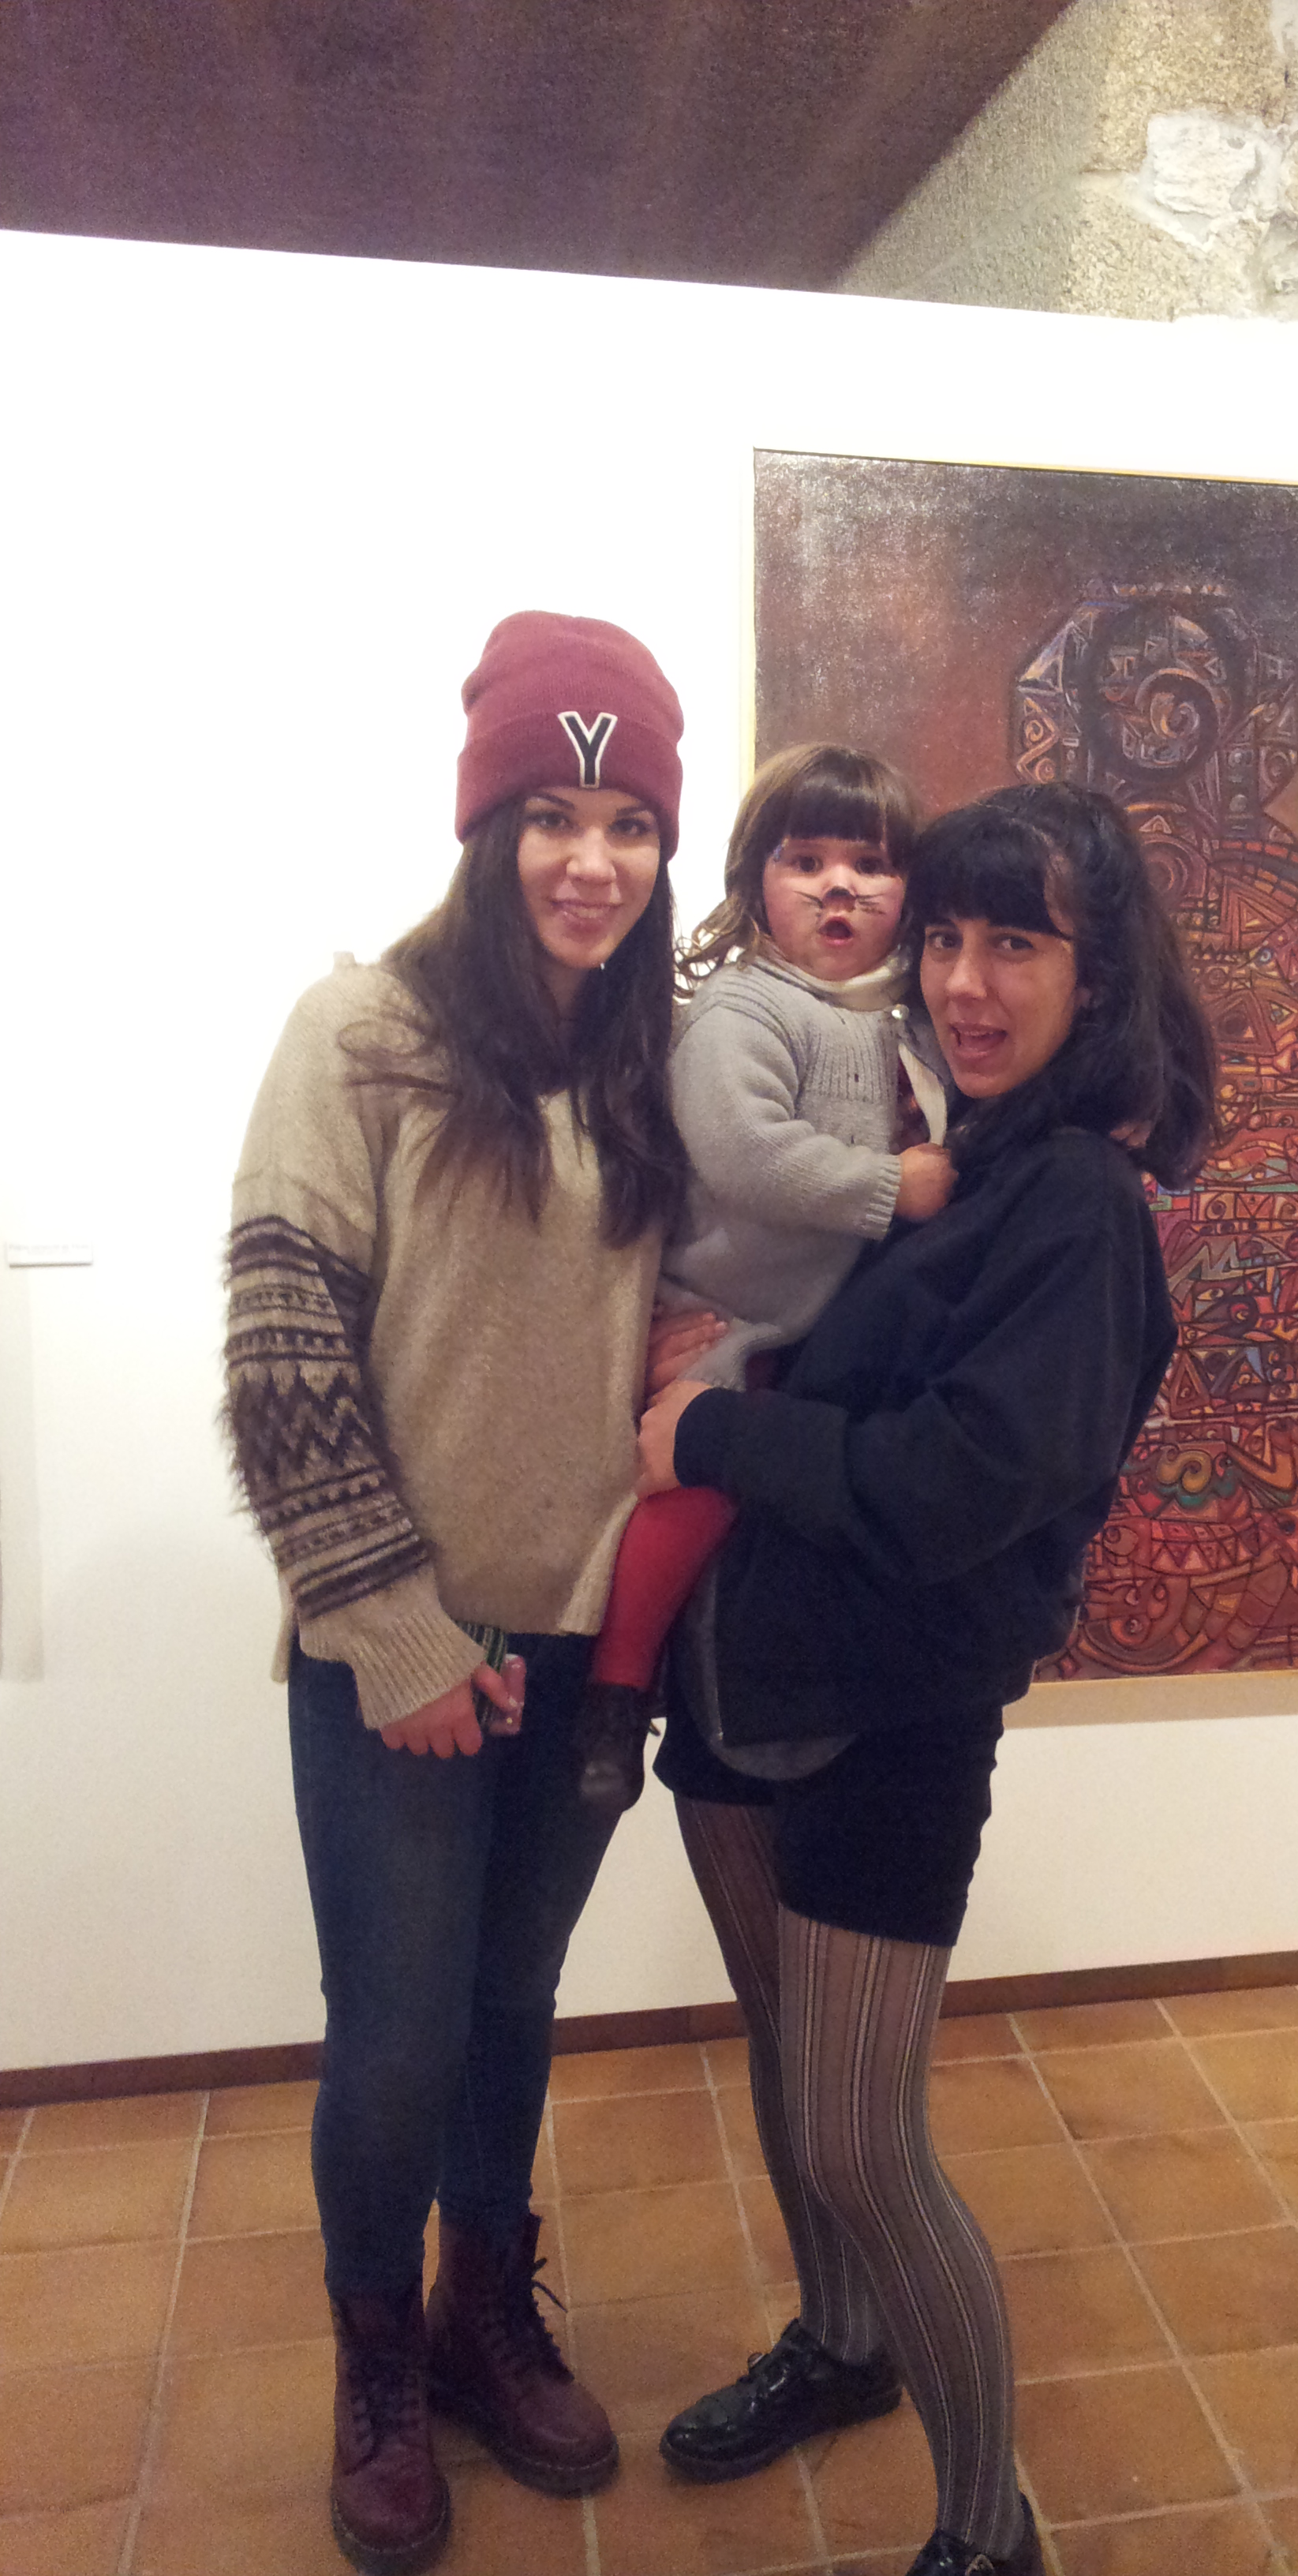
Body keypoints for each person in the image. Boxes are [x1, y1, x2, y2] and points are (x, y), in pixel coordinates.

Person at [638, 782, 1219, 2576]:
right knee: (788, 2064)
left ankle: (987, 2531)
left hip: (891, 1713)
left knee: (860, 2135)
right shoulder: (935, 1149)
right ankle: (842, 2345)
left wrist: (714, 1428)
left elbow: (957, 1482)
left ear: (1096, 973)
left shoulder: (1077, 1203)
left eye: (1014, 943)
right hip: (745, 1683)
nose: (964, 980)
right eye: (946, 935)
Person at [223, 611, 686, 2574]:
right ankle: (379, 2364)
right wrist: (399, 1636)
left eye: (631, 824)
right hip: (403, 1651)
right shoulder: (364, 1033)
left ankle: (485, 2311)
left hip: (587, 1641)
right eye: (553, 819)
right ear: (489, 827)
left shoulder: (660, 1058)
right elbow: (284, 1356)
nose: (593, 861)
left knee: (510, 2006)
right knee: (400, 2030)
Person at [574, 743, 954, 1810]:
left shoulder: (905, 1019)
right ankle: (615, 1690)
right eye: (806, 860)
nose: (840, 886)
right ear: (756, 882)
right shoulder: (745, 1009)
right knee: (696, 1478)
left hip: (821, 1325)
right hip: (724, 1308)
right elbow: (745, 1153)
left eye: (871, 864)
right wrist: (892, 1187)